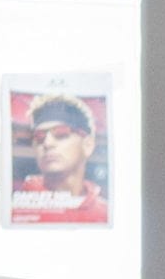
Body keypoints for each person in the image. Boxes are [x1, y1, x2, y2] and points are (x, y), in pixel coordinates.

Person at [13, 94, 108, 223]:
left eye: (61, 133)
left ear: (88, 145)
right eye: (39, 136)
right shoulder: (17, 210)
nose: (47, 143)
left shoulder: (106, 214)